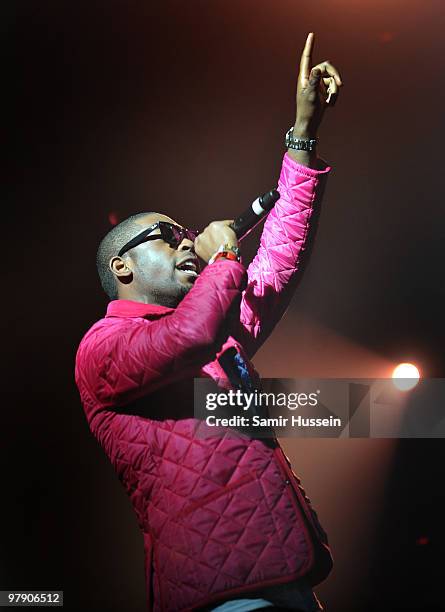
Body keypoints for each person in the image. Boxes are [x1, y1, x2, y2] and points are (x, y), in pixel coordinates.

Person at [75, 33, 343, 612]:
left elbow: (274, 265)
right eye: (165, 236)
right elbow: (185, 336)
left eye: (184, 233)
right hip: (221, 595)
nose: (183, 241)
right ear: (122, 267)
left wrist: (302, 136)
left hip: (283, 574)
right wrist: (221, 260)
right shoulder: (102, 348)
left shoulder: (213, 326)